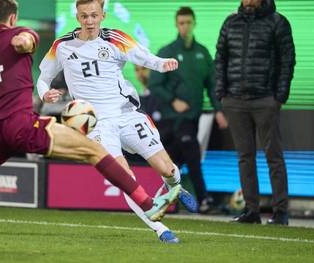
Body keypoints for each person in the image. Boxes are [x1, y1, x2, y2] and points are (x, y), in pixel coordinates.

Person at [0, 0, 180, 247]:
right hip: (22, 126)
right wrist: (23, 41)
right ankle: (146, 201)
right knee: (93, 150)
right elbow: (26, 42)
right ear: (13, 17)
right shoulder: (23, 33)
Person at [37, 0, 196, 244]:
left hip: (126, 114)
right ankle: (160, 229)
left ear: (103, 15)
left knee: (168, 168)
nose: (89, 21)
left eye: (93, 15)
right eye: (84, 16)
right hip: (95, 124)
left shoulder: (116, 39)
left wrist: (164, 64)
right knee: (124, 176)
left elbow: (147, 59)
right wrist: (44, 93)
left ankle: (175, 186)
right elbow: (43, 78)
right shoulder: (62, 46)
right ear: (77, 17)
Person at [215, 0, 295, 225]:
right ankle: (252, 211)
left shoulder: (278, 22)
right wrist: (222, 93)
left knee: (274, 156)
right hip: (234, 100)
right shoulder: (231, 22)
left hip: (265, 100)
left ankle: (281, 212)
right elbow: (220, 58)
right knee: (245, 157)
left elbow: (287, 61)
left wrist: (279, 97)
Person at [149, 6, 228, 213]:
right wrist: (173, 100)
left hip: (193, 118)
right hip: (171, 119)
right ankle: (203, 199)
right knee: (192, 155)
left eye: (188, 23)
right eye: (181, 23)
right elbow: (155, 84)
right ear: (177, 24)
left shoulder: (202, 52)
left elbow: (212, 85)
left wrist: (218, 110)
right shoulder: (167, 52)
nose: (185, 27)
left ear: (194, 23)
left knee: (175, 160)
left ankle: (160, 199)